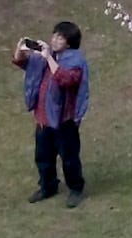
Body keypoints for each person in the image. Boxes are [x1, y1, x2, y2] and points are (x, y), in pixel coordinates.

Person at [11, 21, 90, 205]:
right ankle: (48, 185)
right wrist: (21, 48)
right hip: (43, 119)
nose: (54, 40)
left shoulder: (75, 62)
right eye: (54, 35)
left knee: (69, 158)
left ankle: (76, 188)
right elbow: (22, 62)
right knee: (43, 157)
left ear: (69, 43)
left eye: (60, 37)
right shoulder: (47, 57)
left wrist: (48, 58)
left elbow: (65, 79)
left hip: (64, 121)